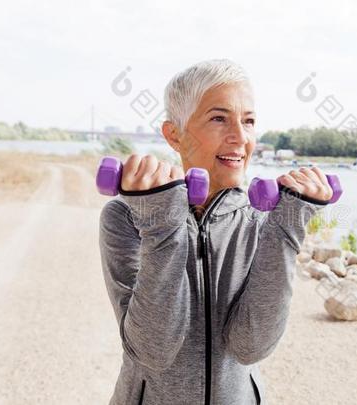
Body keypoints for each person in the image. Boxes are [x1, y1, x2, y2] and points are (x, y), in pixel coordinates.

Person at [99, 59, 334, 404]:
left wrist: (287, 226)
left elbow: (251, 345)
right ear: (174, 135)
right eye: (219, 118)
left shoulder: (261, 219)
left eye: (249, 121)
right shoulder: (125, 217)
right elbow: (153, 350)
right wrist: (162, 224)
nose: (240, 137)